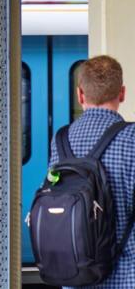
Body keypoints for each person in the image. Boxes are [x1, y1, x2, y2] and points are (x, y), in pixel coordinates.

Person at [48, 55, 135, 289]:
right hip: (125, 278)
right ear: (122, 93)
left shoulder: (60, 141)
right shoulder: (132, 139)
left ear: (80, 95)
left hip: (75, 277)